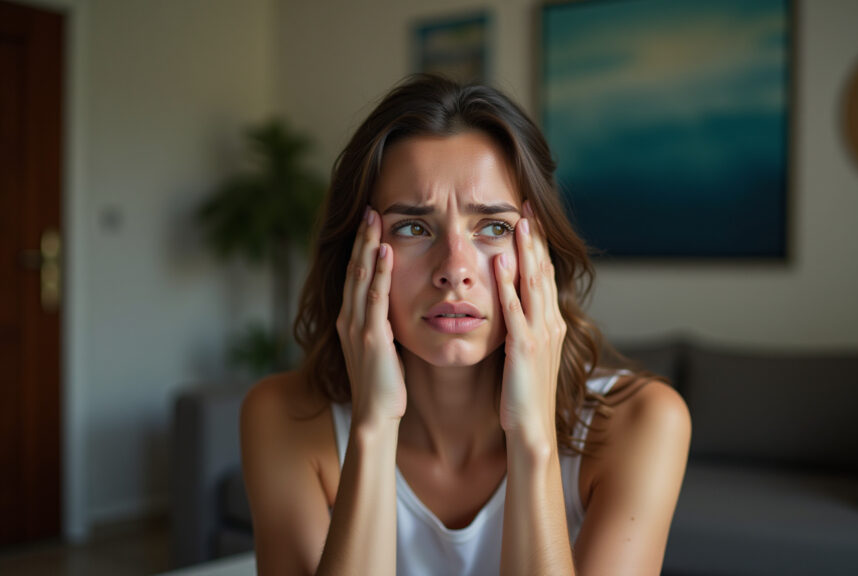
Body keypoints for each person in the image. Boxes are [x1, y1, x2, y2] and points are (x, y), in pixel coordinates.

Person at [240, 74, 691, 576]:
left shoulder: (643, 423)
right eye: (413, 227)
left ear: (539, 257)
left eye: (494, 227)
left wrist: (532, 437)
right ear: (357, 257)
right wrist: (373, 428)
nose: (454, 268)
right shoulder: (282, 418)